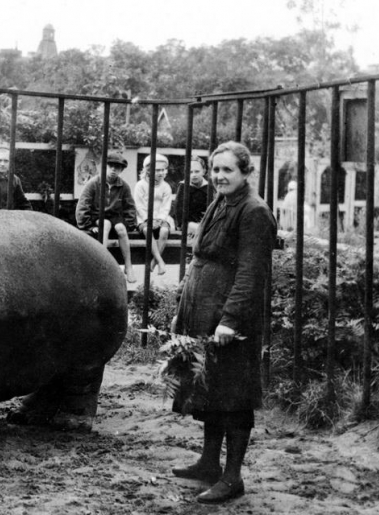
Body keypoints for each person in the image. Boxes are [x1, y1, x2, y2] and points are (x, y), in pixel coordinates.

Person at [170, 141, 277, 504]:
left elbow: (250, 274)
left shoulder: (254, 212)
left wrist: (230, 321)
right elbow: (201, 256)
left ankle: (233, 478)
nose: (219, 176)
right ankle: (208, 464)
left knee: (233, 394)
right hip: (203, 310)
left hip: (230, 319)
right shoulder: (221, 201)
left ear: (246, 172)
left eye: (227, 170)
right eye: (216, 170)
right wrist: (184, 307)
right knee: (210, 388)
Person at [75, 151, 138, 283]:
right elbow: (83, 203)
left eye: (118, 168)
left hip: (115, 217)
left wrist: (130, 223)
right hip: (98, 216)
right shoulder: (94, 183)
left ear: (121, 170)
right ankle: (103, 263)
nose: (113, 170)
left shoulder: (123, 186)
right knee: (106, 224)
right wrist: (87, 225)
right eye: (110, 166)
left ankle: (128, 266)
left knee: (121, 228)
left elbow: (130, 206)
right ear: (105, 167)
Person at [134, 153, 173, 275]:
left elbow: (166, 207)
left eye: (163, 170)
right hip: (144, 218)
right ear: (148, 170)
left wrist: (160, 219)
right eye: (157, 170)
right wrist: (148, 219)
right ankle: (160, 261)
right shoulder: (140, 185)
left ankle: (153, 263)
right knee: (147, 230)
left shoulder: (166, 187)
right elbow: (139, 205)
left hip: (161, 219)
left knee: (164, 231)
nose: (161, 173)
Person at [174, 156, 211, 240]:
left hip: (204, 221)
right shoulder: (183, 186)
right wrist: (180, 225)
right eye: (190, 172)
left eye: (197, 171)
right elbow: (178, 208)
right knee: (201, 230)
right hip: (188, 222)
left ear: (204, 171)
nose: (194, 175)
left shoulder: (208, 187)